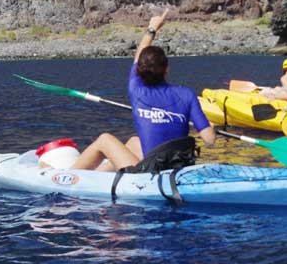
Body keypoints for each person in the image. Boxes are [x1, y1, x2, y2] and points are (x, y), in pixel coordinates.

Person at [68, 10, 215, 171]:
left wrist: (152, 28)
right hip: (177, 164)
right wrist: (210, 128)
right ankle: (100, 176)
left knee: (104, 139)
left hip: (151, 170)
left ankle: (69, 177)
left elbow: (138, 58)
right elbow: (209, 140)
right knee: (133, 142)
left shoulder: (136, 89)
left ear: (140, 70)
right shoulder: (187, 94)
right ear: (167, 69)